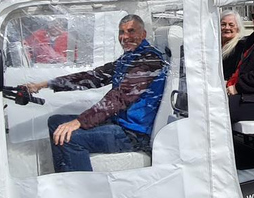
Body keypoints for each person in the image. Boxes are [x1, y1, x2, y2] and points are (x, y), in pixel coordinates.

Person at [25, 14, 168, 172]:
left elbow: (119, 98)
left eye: (131, 31)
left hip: (133, 134)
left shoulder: (149, 60)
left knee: (70, 138)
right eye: (121, 32)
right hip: (117, 123)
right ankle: (63, 178)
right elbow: (93, 77)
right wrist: (45, 84)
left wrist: (80, 121)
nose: (125, 37)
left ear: (143, 34)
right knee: (55, 122)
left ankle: (82, 190)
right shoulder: (129, 58)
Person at [220, 10, 245, 80]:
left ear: (238, 28)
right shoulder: (214, 46)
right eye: (223, 24)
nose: (227, 28)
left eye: (231, 25)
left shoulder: (241, 46)